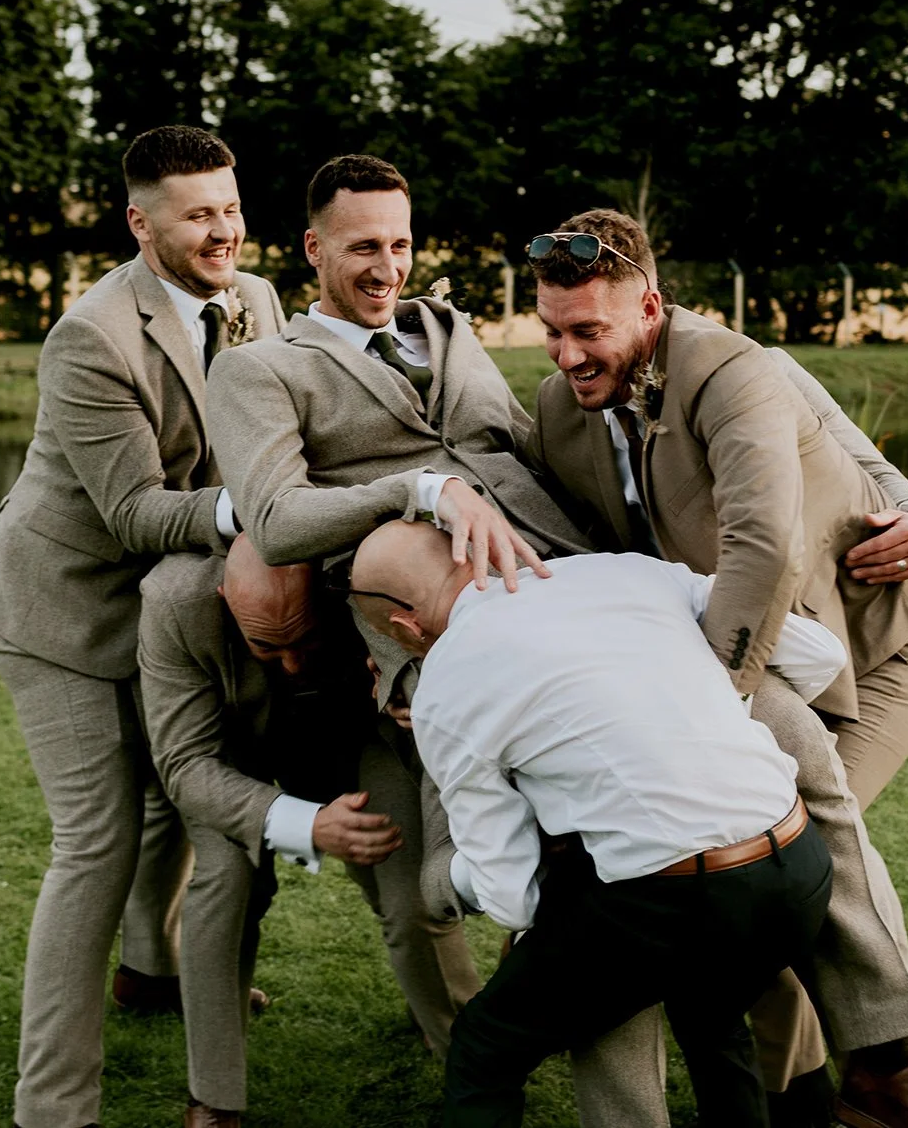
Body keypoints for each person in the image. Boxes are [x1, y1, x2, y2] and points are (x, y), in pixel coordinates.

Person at [206, 154, 669, 1125]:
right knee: (424, 896)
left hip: (565, 595)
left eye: (401, 244)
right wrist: (420, 490)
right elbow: (278, 520)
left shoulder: (450, 330)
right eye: (363, 247)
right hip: (412, 646)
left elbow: (526, 450)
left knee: (611, 849)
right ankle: (477, 1055)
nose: (388, 267)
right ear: (312, 248)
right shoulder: (259, 370)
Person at [525, 209, 908, 1128]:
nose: (568, 355)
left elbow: (767, 541)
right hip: (754, 660)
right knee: (749, 862)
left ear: (650, 308)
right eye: (552, 331)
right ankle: (804, 1096)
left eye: (588, 330)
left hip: (880, 645)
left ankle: (896, 1066)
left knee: (788, 844)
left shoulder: (733, 368)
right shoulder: (557, 414)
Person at [0, 125, 285, 1128]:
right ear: (139, 224)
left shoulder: (259, 299)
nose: (223, 232)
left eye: (230, 209)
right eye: (198, 216)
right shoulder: (89, 336)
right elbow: (137, 511)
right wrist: (272, 514)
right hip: (58, 606)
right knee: (97, 839)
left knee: (176, 800)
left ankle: (149, 970)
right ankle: (53, 1105)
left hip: (164, 601)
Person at [349, 522, 838, 1128]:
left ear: (405, 625)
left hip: (673, 901)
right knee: (712, 1019)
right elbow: (820, 654)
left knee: (484, 1045)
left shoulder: (443, 685)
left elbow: (510, 892)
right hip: (800, 865)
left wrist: (452, 881)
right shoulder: (622, 569)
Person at [138, 537, 424, 1127]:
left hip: (353, 728)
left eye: (303, 640)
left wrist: (414, 690)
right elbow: (185, 763)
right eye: (268, 645)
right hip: (223, 750)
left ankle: (462, 1038)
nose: (290, 663)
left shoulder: (360, 565)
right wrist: (302, 823)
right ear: (225, 598)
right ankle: (213, 1100)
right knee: (227, 878)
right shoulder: (173, 601)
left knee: (407, 887)